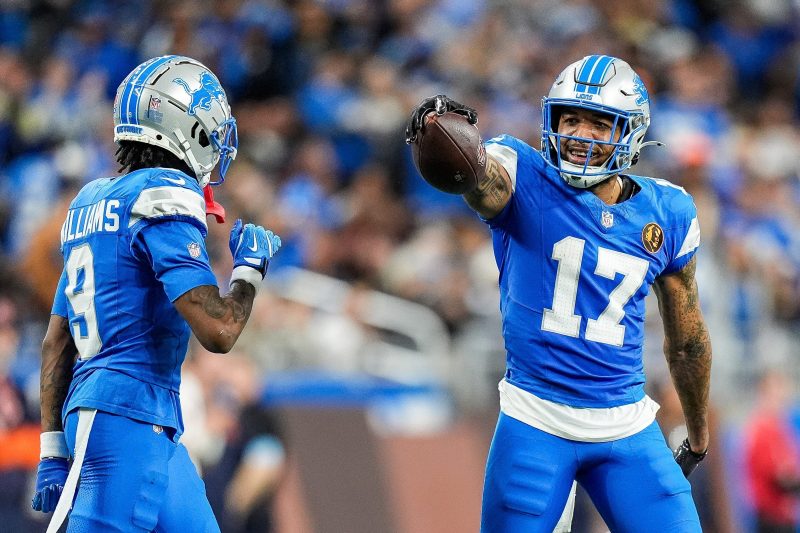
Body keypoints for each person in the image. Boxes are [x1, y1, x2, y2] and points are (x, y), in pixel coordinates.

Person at [405, 55, 712, 532]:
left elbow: (687, 342)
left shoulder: (668, 210)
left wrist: (696, 432)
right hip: (536, 420)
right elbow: (483, 180)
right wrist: (450, 143)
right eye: (571, 119)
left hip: (626, 424)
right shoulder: (523, 174)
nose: (579, 135)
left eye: (599, 124)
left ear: (630, 133)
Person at [30, 55, 281, 532]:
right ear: (188, 127)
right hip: (123, 417)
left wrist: (52, 448)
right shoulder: (164, 191)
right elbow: (219, 330)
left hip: (146, 417)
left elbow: (56, 341)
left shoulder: (91, 201)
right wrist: (248, 272)